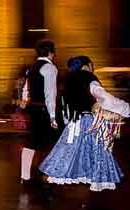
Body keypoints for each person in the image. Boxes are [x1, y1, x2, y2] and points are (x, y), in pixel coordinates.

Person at [40, 56, 130, 191]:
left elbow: (64, 103)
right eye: (92, 65)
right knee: (96, 152)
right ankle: (93, 179)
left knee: (68, 152)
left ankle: (49, 179)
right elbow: (104, 97)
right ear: (87, 65)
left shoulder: (68, 79)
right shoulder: (88, 77)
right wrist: (125, 108)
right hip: (88, 122)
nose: (93, 68)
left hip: (73, 123)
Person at [20, 39, 59, 182]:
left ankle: (25, 175)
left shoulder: (32, 67)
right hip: (43, 109)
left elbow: (26, 86)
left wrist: (24, 100)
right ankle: (48, 175)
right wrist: (53, 117)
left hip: (33, 107)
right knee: (50, 142)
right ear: (50, 52)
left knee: (32, 142)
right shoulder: (50, 68)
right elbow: (50, 94)